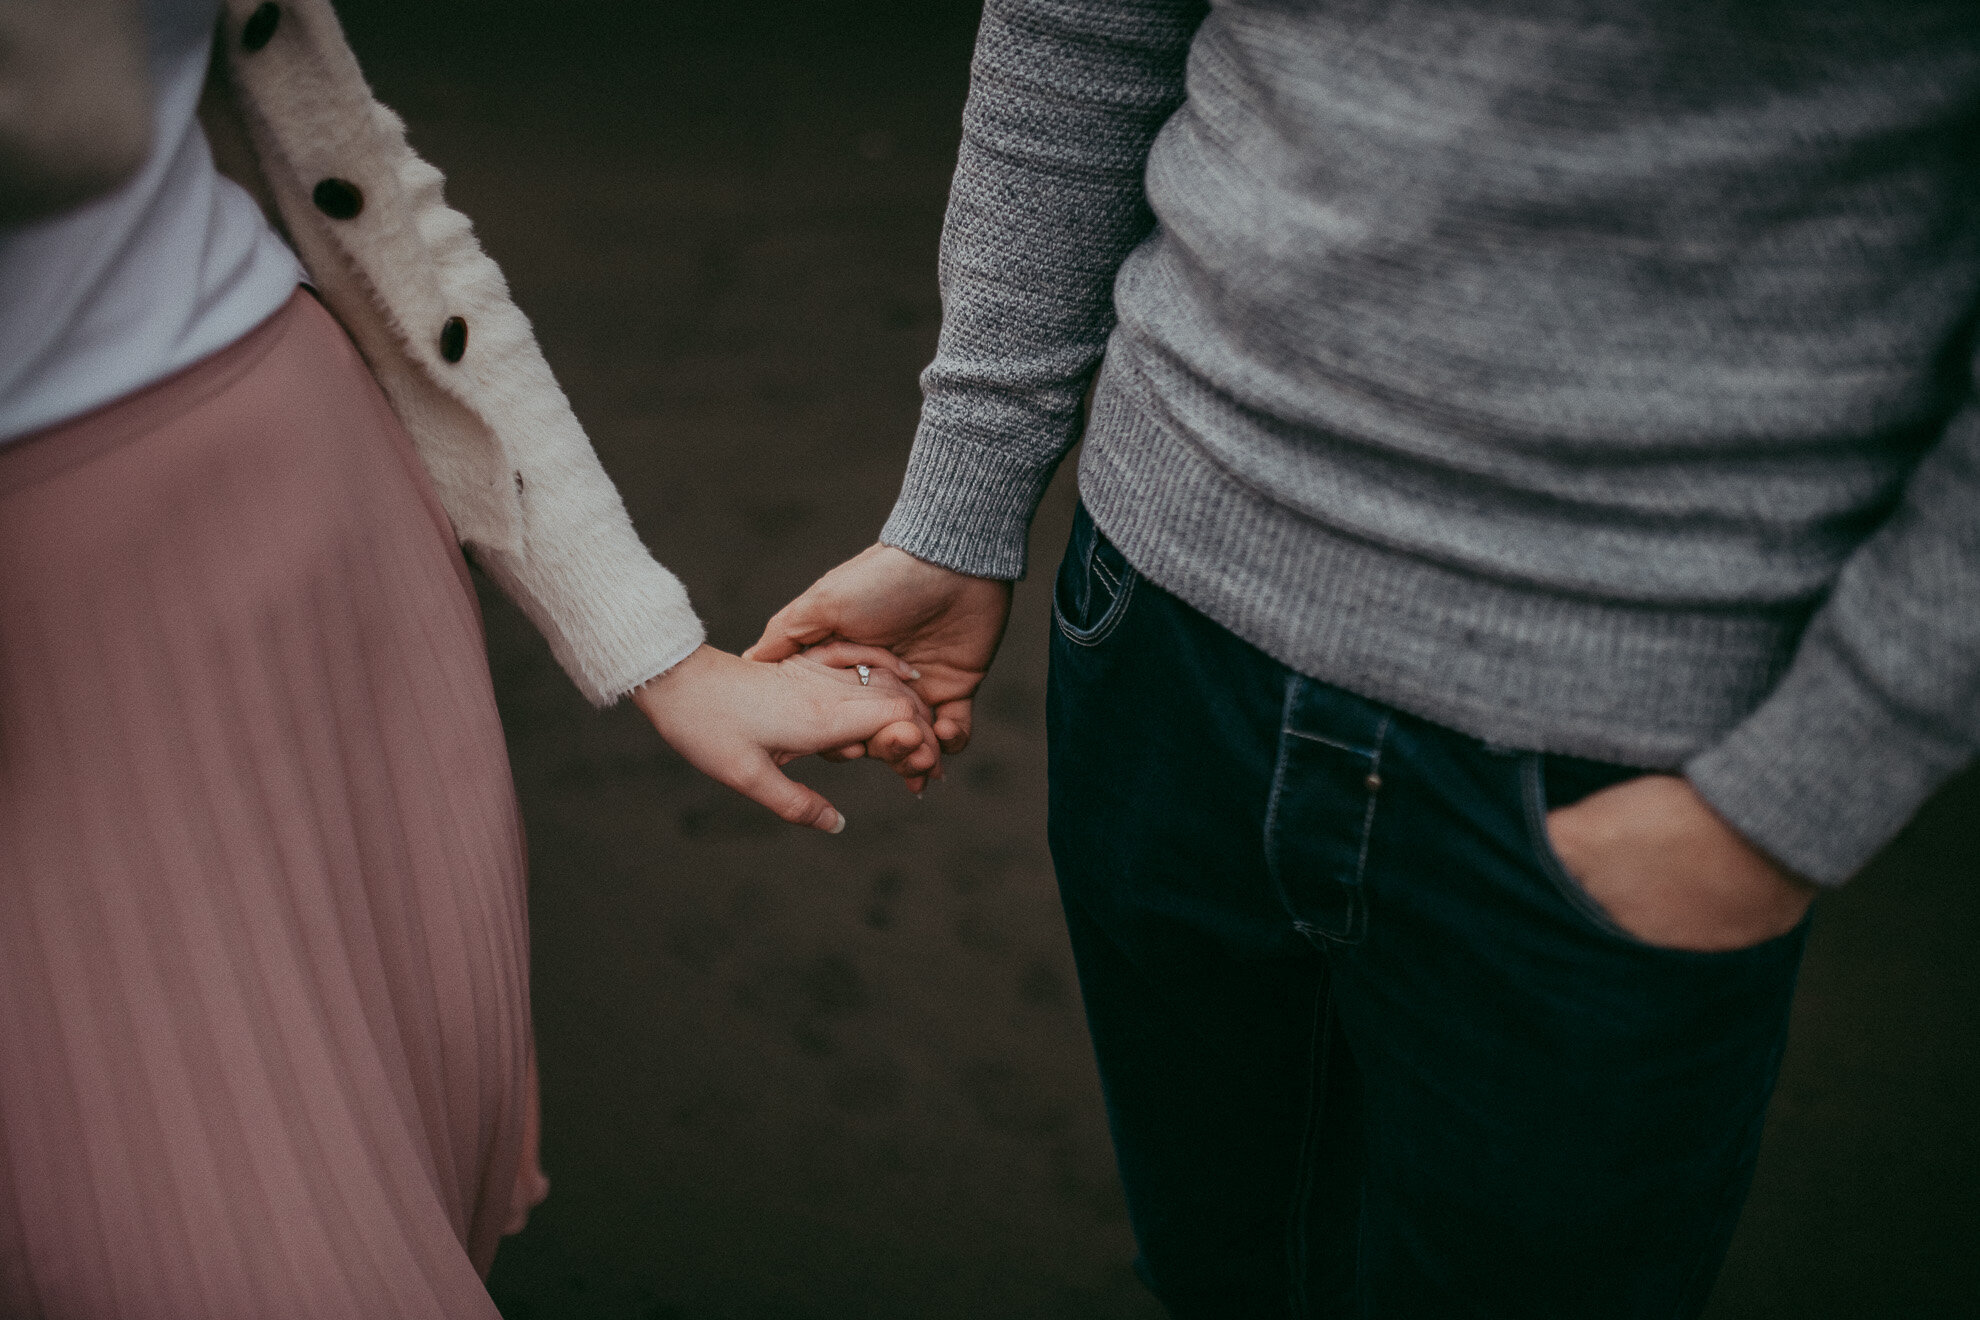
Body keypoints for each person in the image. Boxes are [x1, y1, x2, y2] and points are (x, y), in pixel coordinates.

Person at [749, 0, 1980, 1314]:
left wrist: (1793, 798)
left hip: (1627, 738)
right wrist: (962, 499)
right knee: (1220, 1277)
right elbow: (1082, 26)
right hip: (1161, 633)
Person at [0, 1, 935, 1315]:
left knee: (385, 1162)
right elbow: (62, 121)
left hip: (307, 531)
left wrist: (663, 649)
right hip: (52, 639)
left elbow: (368, 182)